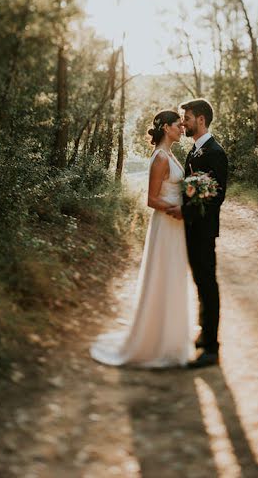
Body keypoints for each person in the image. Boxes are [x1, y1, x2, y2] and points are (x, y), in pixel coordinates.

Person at [89, 110, 197, 368]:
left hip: (176, 224)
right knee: (164, 275)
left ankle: (172, 338)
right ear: (167, 128)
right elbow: (151, 199)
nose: (182, 128)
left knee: (175, 275)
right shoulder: (160, 157)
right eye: (177, 125)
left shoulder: (170, 154)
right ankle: (156, 340)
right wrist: (175, 210)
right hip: (167, 222)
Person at [180, 99, 229, 369]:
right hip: (191, 229)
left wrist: (187, 212)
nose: (184, 122)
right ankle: (204, 334)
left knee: (208, 283)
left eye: (187, 118)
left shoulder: (215, 152)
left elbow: (216, 196)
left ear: (200, 120)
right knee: (200, 282)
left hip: (203, 230)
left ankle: (212, 348)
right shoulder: (195, 151)